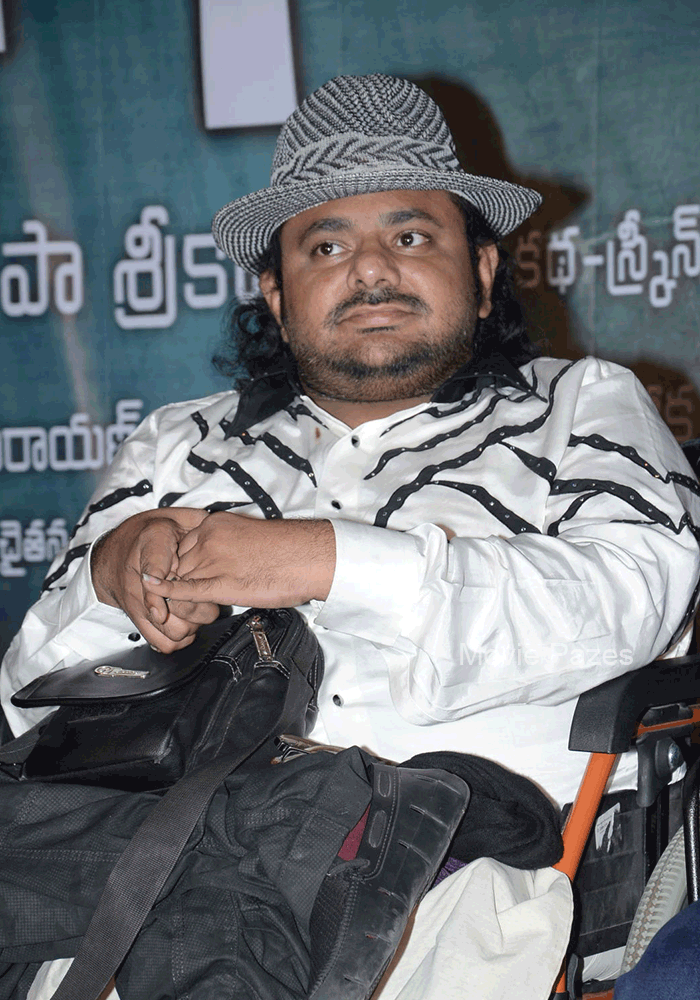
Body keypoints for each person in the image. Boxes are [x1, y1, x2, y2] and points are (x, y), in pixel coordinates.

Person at [1, 73, 699, 998]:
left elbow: (634, 598)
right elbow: (25, 705)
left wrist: (322, 562)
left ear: (483, 273)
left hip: (450, 896)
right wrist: (109, 577)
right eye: (327, 245)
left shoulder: (582, 406)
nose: (371, 271)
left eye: (411, 237)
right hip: (147, 874)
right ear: (276, 294)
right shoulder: (177, 445)